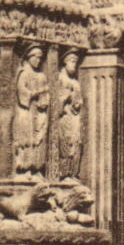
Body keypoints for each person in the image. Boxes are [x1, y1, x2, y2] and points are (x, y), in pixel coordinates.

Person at [12, 44, 50, 176]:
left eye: (40, 58)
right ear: (29, 57)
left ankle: (36, 168)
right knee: (26, 138)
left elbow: (46, 94)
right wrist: (34, 94)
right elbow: (21, 91)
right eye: (35, 57)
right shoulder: (23, 73)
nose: (38, 61)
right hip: (26, 111)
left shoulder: (41, 76)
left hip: (38, 111)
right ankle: (24, 168)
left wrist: (43, 100)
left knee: (39, 138)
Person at [53, 50, 83, 179]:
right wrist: (66, 97)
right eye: (72, 61)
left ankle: (72, 174)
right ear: (64, 62)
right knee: (65, 142)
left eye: (76, 62)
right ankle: (64, 174)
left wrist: (77, 102)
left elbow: (79, 102)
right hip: (65, 117)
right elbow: (57, 103)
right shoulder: (60, 79)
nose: (74, 65)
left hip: (74, 116)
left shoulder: (76, 82)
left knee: (76, 142)